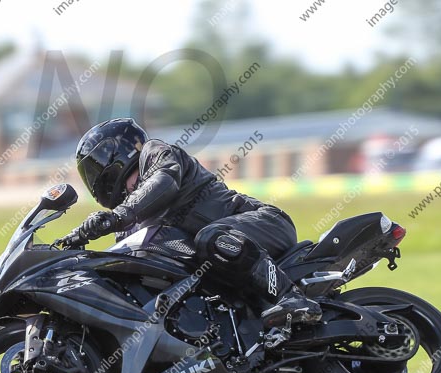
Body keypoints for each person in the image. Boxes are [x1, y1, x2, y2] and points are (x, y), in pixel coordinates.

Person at [59, 118, 321, 329]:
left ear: (115, 157)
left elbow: (163, 183)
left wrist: (116, 217)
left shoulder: (157, 154)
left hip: (266, 224)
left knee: (210, 237)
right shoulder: (132, 224)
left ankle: (292, 297)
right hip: (227, 263)